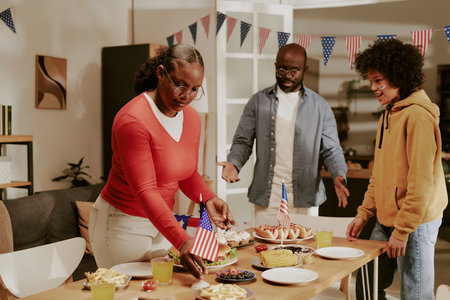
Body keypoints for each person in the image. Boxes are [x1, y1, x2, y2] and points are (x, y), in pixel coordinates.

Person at [89, 43, 235, 280]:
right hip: (123, 224)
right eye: (180, 85)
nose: (186, 97)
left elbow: (186, 174)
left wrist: (209, 198)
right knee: (129, 295)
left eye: (195, 89)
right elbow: (145, 191)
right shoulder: (133, 120)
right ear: (160, 73)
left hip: (162, 222)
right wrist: (183, 240)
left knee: (163, 291)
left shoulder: (191, 118)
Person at [346, 39, 448, 300]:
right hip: (387, 216)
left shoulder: (418, 117)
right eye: (371, 81)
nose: (373, 88)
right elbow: (379, 174)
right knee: (367, 284)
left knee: (415, 294)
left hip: (416, 222)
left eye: (378, 80)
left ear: (398, 75)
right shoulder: (388, 114)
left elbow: (421, 182)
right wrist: (363, 214)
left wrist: (403, 232)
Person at [218, 43, 349, 225]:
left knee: (304, 251)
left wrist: (339, 174)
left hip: (305, 195)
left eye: (294, 71)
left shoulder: (320, 106)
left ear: (305, 69)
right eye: (282, 69)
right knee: (266, 249)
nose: (287, 76)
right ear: (275, 67)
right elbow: (243, 141)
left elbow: (332, 149)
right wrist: (234, 163)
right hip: (268, 195)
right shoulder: (258, 102)